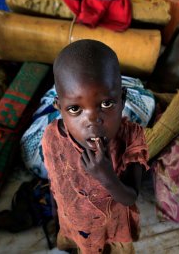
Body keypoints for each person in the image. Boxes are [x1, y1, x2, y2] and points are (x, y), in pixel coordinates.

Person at [42, 39, 149, 253]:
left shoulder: (131, 138)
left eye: (106, 104)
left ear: (122, 99)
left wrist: (107, 177)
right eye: (74, 109)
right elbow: (57, 184)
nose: (92, 120)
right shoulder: (52, 138)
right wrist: (58, 217)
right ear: (59, 108)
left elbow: (130, 197)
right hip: (73, 226)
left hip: (113, 231)